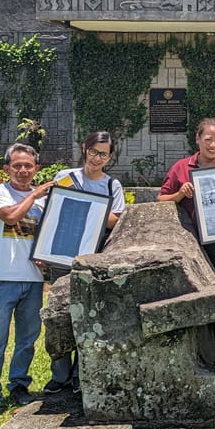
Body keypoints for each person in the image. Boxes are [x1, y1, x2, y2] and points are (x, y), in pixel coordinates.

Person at [0, 143, 55, 428]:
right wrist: (34, 194)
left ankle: (18, 385)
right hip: (1, 279)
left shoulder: (44, 202)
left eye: (28, 166)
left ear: (37, 168)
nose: (23, 171)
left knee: (27, 340)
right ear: (7, 169)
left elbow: (45, 235)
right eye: (17, 166)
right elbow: (10, 216)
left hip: (31, 281)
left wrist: (46, 255)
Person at [43, 130, 126, 395]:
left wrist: (92, 206)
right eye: (93, 152)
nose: (97, 158)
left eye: (103, 154)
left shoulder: (112, 185)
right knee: (59, 314)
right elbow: (51, 211)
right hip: (62, 253)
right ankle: (59, 374)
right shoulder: (65, 178)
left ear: (110, 157)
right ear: (84, 149)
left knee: (86, 315)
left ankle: (81, 374)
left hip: (92, 258)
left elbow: (118, 221)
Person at [159, 116, 215, 350]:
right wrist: (180, 194)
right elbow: (161, 199)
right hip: (191, 247)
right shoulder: (182, 168)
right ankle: (195, 352)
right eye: (208, 139)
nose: (212, 145)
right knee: (194, 297)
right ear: (198, 139)